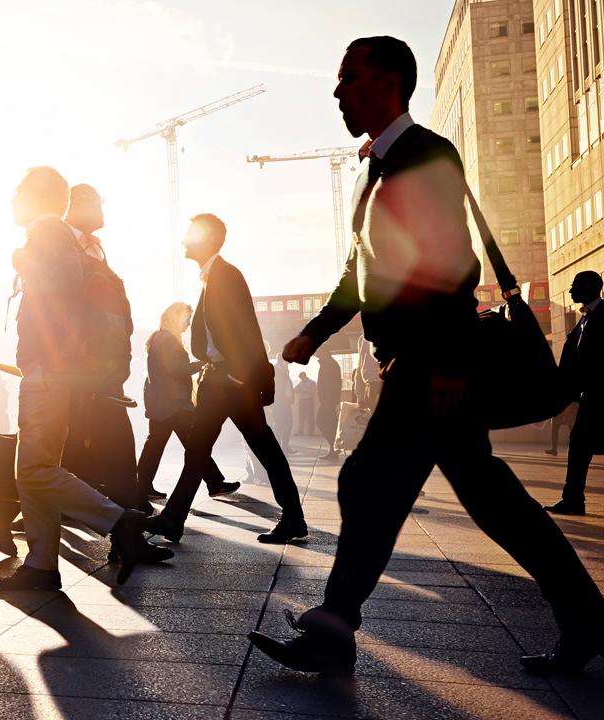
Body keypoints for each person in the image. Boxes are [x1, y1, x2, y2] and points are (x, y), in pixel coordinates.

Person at [250, 36, 604, 676]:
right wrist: (314, 332)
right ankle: (588, 617)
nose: (337, 93)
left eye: (348, 79)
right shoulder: (372, 169)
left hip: (430, 365)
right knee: (492, 499)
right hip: (416, 362)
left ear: (388, 84)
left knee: (368, 482)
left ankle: (333, 629)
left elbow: (454, 264)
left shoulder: (426, 155)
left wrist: (447, 362)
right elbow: (359, 276)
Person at [0, 166, 170, 592]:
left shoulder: (48, 234)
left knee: (33, 469)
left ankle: (119, 520)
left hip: (47, 372)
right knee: (34, 468)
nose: (11, 201)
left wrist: (24, 263)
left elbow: (62, 293)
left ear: (37, 196)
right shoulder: (57, 236)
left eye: (17, 192)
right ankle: (40, 564)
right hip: (52, 370)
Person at [145, 215, 306, 546]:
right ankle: (174, 519)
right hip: (220, 380)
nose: (183, 241)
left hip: (228, 382)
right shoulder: (213, 277)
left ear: (206, 239)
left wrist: (237, 376)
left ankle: (292, 517)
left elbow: (246, 327)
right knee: (207, 449)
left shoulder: (225, 276)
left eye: (190, 235)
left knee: (254, 447)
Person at [59, 184, 150, 512]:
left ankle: (128, 517)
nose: (102, 212)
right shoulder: (63, 244)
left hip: (105, 369)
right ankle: (128, 519)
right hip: (78, 370)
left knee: (106, 444)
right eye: (98, 204)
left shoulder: (95, 248)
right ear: (79, 204)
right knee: (84, 443)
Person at [136, 302, 237, 500]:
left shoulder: (158, 338)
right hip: (174, 404)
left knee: (155, 446)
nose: (188, 324)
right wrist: (204, 363)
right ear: (176, 318)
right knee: (195, 444)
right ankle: (215, 483)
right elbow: (177, 369)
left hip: (162, 403)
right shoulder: (167, 340)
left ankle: (142, 487)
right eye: (187, 319)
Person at [545, 270, 604, 515]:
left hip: (599, 397)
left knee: (580, 446)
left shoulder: (602, 316)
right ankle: (572, 499)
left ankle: (573, 500)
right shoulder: (585, 318)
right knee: (580, 446)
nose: (570, 291)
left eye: (575, 286)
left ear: (590, 288)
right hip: (588, 398)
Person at [316, 349, 342, 459]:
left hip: (328, 401)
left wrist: (328, 401)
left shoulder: (329, 364)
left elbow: (332, 385)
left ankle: (334, 448)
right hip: (328, 401)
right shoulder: (328, 363)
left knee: (322, 422)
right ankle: (334, 449)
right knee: (330, 424)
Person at [271, 357, 295, 453]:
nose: (289, 363)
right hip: (279, 403)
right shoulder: (275, 369)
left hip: (286, 402)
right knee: (279, 425)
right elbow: (276, 386)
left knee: (288, 424)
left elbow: (288, 385)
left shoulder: (284, 370)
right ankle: (278, 447)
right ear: (281, 360)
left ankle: (285, 446)